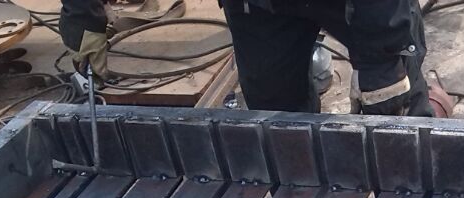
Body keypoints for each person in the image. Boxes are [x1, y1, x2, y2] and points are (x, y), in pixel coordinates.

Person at [59, 0, 433, 117]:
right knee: (277, 119)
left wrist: (384, 49)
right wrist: (82, 16)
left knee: (394, 110)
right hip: (258, 7)